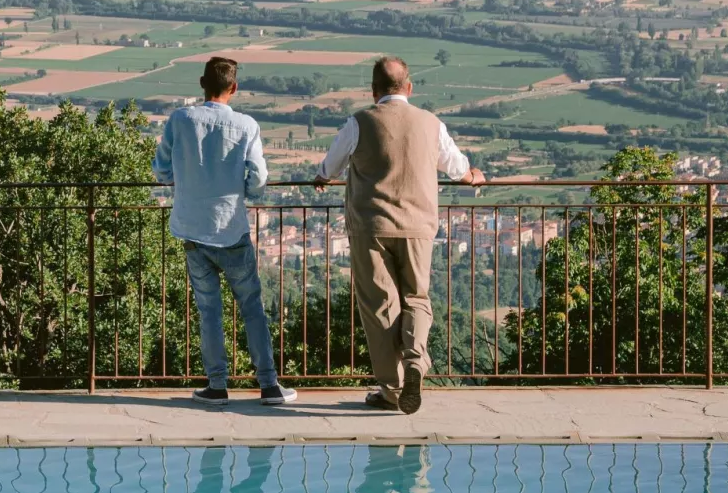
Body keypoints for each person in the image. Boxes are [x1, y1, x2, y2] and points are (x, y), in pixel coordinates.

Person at [313, 56, 484, 415]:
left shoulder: (359, 122)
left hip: (370, 227)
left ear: (373, 91)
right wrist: (473, 177)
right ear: (409, 88)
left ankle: (391, 390)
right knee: (417, 299)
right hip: (419, 227)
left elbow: (330, 166)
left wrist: (323, 177)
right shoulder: (430, 123)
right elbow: (457, 168)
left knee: (379, 309)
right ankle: (416, 364)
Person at [153, 56, 297, 405]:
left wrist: (182, 180)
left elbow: (161, 170)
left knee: (209, 311)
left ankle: (217, 386)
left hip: (192, 230)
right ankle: (269, 385)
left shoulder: (180, 119)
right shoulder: (246, 126)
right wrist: (242, 189)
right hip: (231, 229)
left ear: (202, 84)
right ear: (234, 88)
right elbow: (259, 179)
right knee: (251, 308)